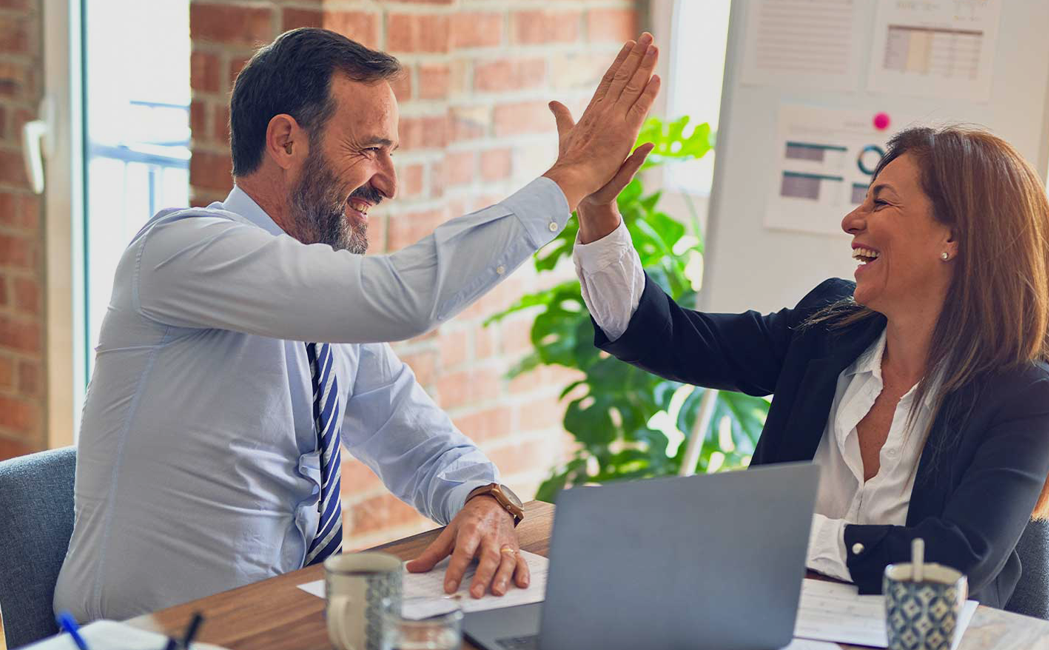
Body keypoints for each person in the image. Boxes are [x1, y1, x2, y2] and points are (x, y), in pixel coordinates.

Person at [54, 28, 661, 622]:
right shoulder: (180, 251)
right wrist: (572, 177)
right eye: (370, 149)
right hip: (147, 636)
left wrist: (483, 498)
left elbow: (417, 440)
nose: (389, 182)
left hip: (283, 620)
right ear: (286, 142)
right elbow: (404, 298)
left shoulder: (327, 306)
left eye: (390, 153)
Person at [569, 125, 1049, 608]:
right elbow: (669, 338)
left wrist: (778, 530)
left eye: (880, 201)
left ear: (954, 238)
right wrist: (597, 208)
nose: (851, 220)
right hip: (768, 623)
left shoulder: (1029, 398)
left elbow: (953, 562)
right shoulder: (827, 328)